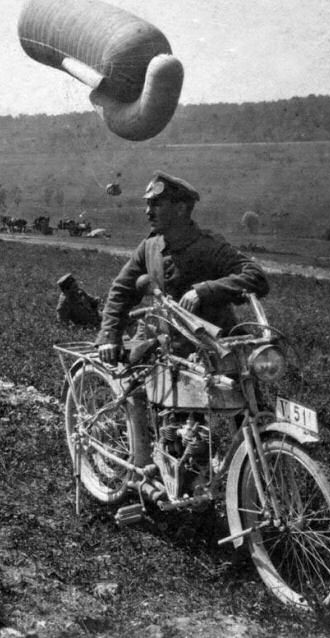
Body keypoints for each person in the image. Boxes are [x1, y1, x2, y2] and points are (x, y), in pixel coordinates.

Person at [95, 170, 270, 465]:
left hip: (218, 353)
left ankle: (262, 477)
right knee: (174, 435)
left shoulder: (207, 245)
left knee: (252, 421)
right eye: (148, 204)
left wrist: (205, 290)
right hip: (171, 355)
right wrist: (109, 335)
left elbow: (256, 277)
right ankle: (150, 471)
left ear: (181, 209)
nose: (148, 211)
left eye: (157, 205)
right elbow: (121, 289)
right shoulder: (149, 247)